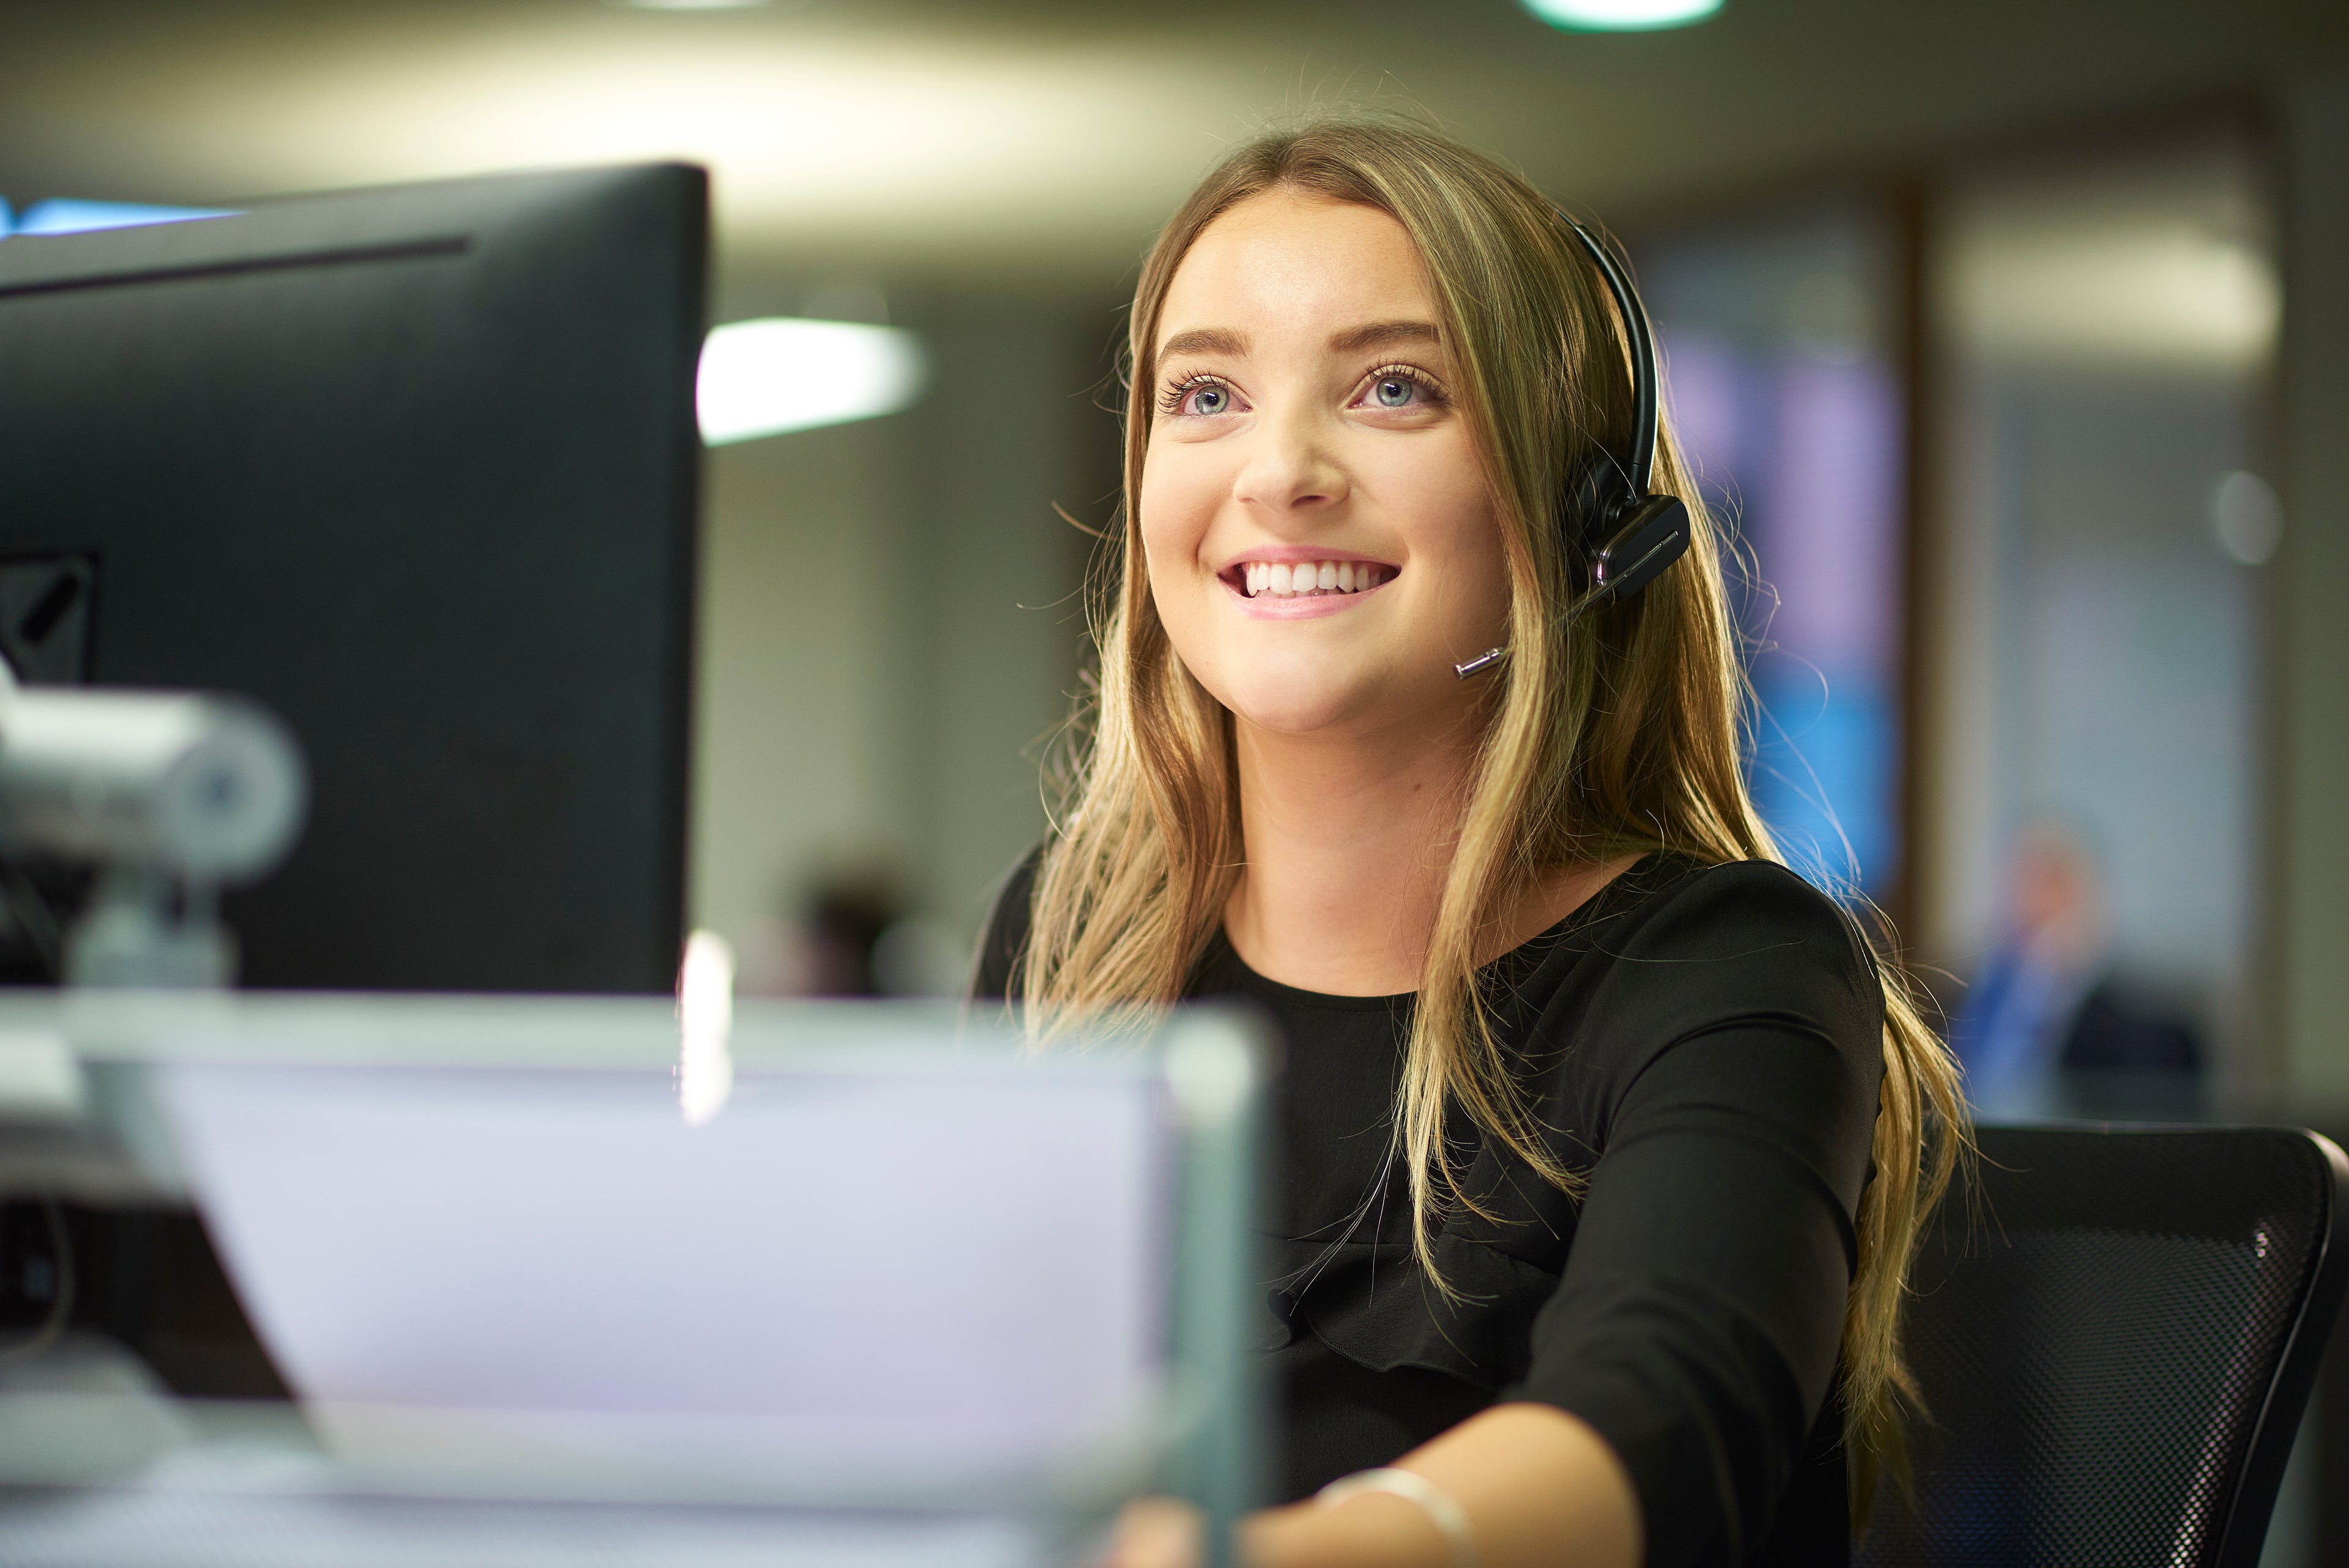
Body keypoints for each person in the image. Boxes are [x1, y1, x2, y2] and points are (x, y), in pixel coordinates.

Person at [973, 114, 1965, 1568]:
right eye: (1204, 396)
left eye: (1392, 388)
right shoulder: (1076, 932)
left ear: (1571, 515)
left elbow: (1660, 1419)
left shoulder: (1728, 972)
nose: (1280, 470)